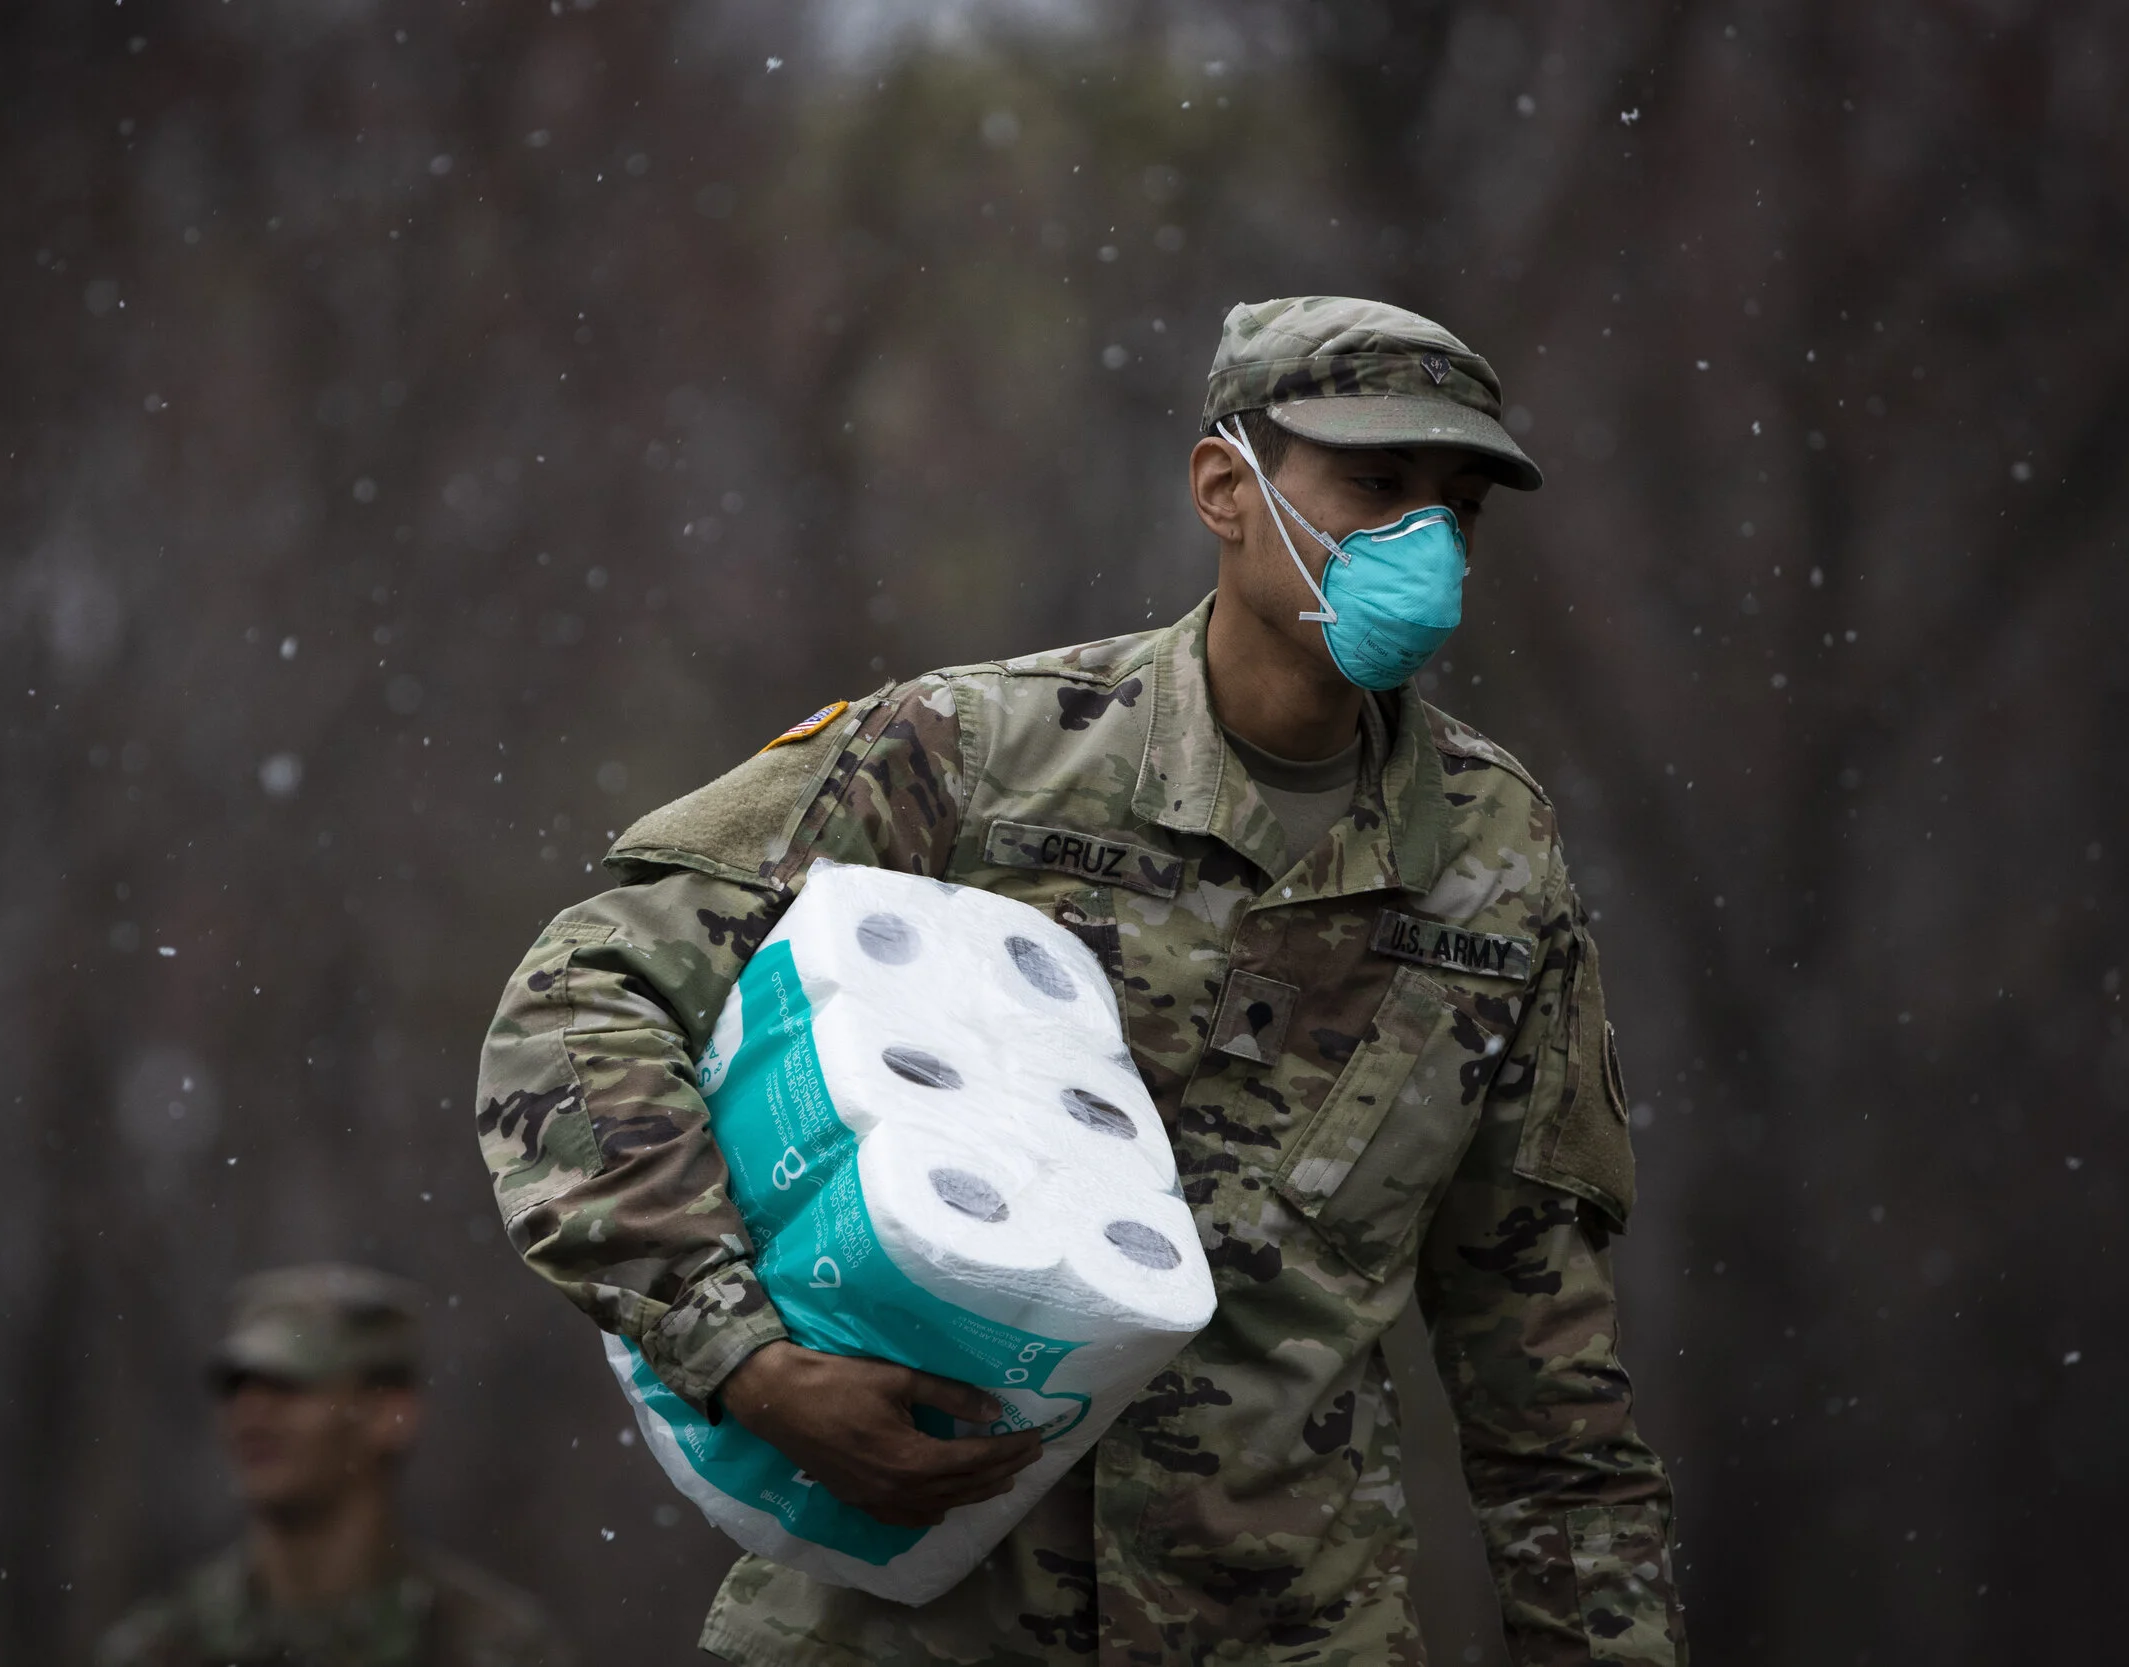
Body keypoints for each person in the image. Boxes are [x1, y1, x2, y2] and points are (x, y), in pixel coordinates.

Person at [476, 296, 1684, 1664]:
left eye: (1459, 505)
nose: (1425, 540)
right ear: (1226, 488)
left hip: (1290, 1629)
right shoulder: (980, 757)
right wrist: (742, 1354)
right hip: (910, 1619)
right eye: (1375, 484)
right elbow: (582, 996)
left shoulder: (1492, 853)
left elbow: (1544, 1367)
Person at [97, 1263, 566, 1667]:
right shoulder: (161, 1651)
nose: (249, 1415)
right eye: (236, 1387)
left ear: (390, 1414)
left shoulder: (490, 1649)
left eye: (288, 1386)